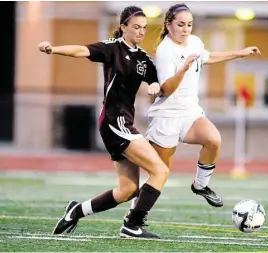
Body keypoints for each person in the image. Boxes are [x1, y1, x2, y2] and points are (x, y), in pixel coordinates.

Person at [38, 6, 169, 239]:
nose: (140, 32)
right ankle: (133, 225)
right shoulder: (111, 48)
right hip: (114, 122)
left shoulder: (143, 58)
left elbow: (155, 81)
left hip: (124, 123)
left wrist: (155, 86)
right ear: (123, 27)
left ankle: (77, 211)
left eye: (144, 28)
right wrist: (53, 49)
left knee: (128, 190)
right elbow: (81, 50)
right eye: (136, 27)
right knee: (159, 170)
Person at [144, 3, 261, 208]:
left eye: (189, 25)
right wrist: (184, 68)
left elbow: (209, 56)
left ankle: (200, 185)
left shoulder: (195, 42)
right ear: (168, 25)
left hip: (190, 112)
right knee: (159, 174)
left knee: (213, 140)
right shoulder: (165, 50)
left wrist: (240, 53)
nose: (185, 29)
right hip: (167, 115)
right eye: (180, 25)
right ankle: (134, 217)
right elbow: (166, 89)